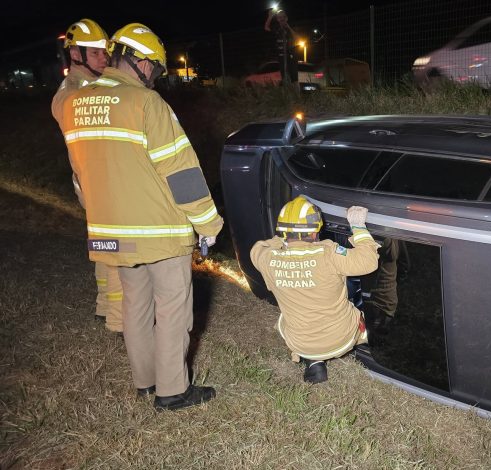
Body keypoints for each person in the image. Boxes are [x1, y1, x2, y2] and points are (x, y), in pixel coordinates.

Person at [59, 23, 223, 411]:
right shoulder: (146, 104)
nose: (156, 78)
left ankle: (145, 382)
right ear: (142, 61)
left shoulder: (74, 104)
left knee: (136, 306)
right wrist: (209, 224)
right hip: (159, 232)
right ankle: (172, 391)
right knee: (172, 311)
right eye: (156, 70)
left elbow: (79, 173)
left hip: (110, 231)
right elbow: (181, 172)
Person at [250, 196, 379, 384]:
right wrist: (358, 227)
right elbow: (368, 261)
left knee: (284, 319)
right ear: (315, 231)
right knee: (368, 317)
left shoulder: (265, 258)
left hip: (301, 345)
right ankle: (367, 336)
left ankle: (314, 362)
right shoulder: (329, 253)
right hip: (341, 339)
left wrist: (284, 240)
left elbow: (258, 247)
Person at [51, 19, 123, 334]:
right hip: (100, 182)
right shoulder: (73, 92)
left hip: (97, 182)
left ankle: (104, 306)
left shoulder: (92, 85)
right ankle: (118, 317)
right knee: (119, 247)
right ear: (76, 54)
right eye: (94, 53)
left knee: (106, 245)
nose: (103, 58)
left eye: (104, 52)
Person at [264, 9, 299, 86]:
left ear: (286, 18)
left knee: (294, 79)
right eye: (279, 17)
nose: (281, 18)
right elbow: (266, 27)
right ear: (277, 19)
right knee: (285, 78)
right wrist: (270, 17)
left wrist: (288, 27)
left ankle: (297, 96)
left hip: (291, 57)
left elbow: (296, 38)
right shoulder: (276, 29)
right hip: (281, 57)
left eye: (283, 17)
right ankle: (287, 95)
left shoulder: (290, 28)